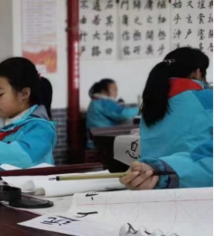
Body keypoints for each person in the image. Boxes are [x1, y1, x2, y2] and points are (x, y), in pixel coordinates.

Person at [120, 47, 212, 190]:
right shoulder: (207, 98)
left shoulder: (151, 105)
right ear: (198, 72)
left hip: (151, 182)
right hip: (193, 182)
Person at [85, 78, 138, 145]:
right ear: (104, 91)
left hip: (98, 137)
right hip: (101, 140)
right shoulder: (103, 103)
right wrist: (139, 109)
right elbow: (123, 114)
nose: (116, 93)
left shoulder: (97, 101)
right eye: (114, 90)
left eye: (116, 90)